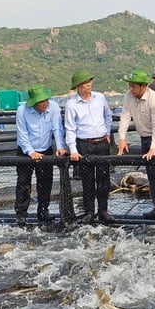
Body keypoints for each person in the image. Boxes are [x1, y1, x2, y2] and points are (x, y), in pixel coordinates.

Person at [117, 69, 155, 221]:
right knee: (151, 174)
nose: (130, 89)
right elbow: (125, 116)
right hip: (144, 135)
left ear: (143, 86)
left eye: (133, 86)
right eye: (130, 86)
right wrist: (121, 138)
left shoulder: (154, 99)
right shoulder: (129, 96)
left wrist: (153, 148)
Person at [64, 69, 115, 225]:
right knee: (87, 179)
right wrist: (73, 149)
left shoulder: (100, 98)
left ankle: (103, 209)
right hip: (84, 143)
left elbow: (108, 115)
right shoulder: (71, 104)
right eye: (85, 83)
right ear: (78, 86)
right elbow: (70, 128)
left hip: (101, 142)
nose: (88, 85)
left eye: (89, 82)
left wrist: (107, 130)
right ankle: (89, 211)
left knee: (103, 178)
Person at [14, 85, 68, 226]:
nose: (45, 104)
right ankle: (21, 213)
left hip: (46, 148)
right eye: (41, 102)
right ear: (33, 103)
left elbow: (57, 127)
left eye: (46, 100)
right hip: (26, 151)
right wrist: (30, 151)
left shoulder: (54, 107)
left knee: (45, 181)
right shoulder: (22, 110)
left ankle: (43, 210)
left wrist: (61, 146)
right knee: (23, 182)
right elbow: (22, 132)